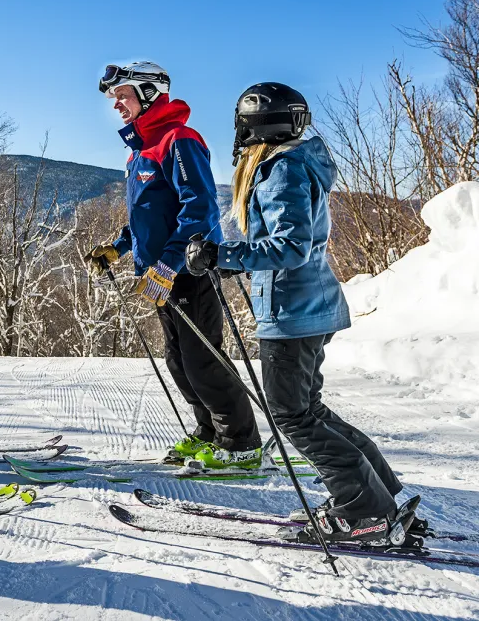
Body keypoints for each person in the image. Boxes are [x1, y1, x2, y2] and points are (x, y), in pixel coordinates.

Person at [185, 82, 407, 544]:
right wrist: (233, 260)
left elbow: (289, 247)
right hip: (307, 303)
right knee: (309, 410)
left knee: (292, 416)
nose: (238, 132)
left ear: (256, 125)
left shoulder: (281, 168)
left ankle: (365, 510)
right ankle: (382, 497)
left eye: (242, 123)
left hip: (293, 309)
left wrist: (223, 256)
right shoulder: (292, 161)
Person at [85, 61, 262, 469]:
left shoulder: (179, 140)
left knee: (203, 360)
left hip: (188, 271)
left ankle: (242, 443)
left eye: (123, 96)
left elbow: (199, 209)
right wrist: (117, 248)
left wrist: (168, 264)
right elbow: (148, 216)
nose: (117, 105)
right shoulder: (139, 153)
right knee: (179, 361)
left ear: (149, 94)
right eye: (115, 99)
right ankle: (208, 431)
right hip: (158, 276)